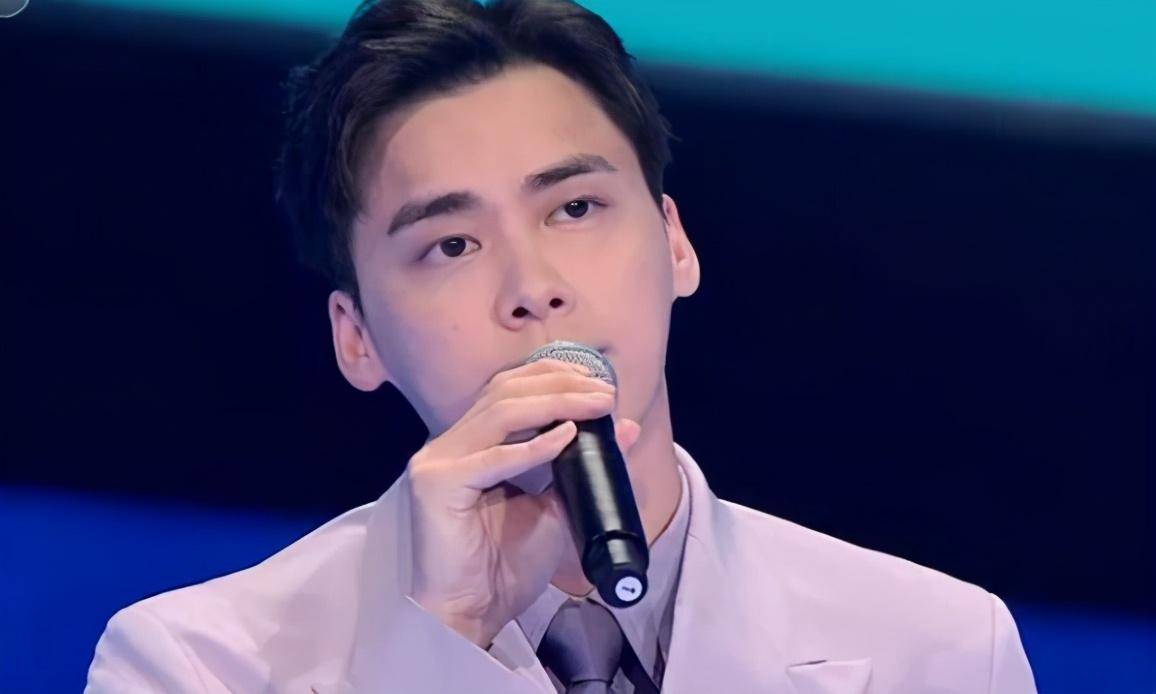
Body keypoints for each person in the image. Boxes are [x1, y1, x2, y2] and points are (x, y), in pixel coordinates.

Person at [86, 0, 1038, 691]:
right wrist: (447, 637)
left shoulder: (938, 650)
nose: (532, 285)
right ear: (358, 338)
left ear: (675, 242)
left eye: (575, 208)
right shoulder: (194, 666)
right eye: (451, 245)